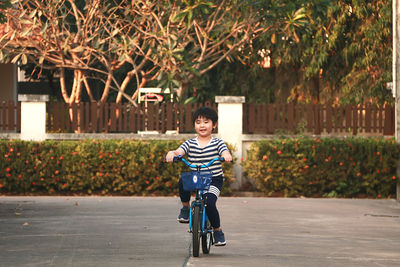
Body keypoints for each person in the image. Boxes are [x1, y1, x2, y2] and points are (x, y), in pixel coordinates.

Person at [165, 107, 232, 246]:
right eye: (198, 122)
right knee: (183, 181)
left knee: (210, 203)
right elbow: (179, 151)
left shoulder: (217, 143)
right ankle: (185, 208)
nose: (202, 125)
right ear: (194, 125)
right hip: (196, 177)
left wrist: (226, 156)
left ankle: (217, 231)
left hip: (214, 179)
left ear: (214, 125)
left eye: (206, 122)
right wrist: (172, 154)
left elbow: (225, 151)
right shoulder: (190, 143)